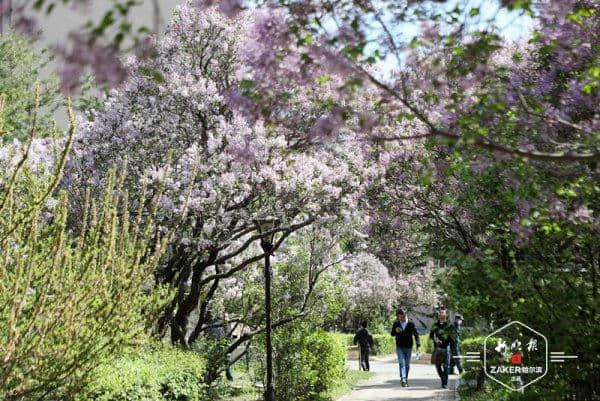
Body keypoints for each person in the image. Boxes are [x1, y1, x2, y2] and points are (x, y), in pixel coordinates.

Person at [390, 309, 421, 387]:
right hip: (399, 346)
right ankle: (403, 379)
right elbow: (392, 334)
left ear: (405, 315)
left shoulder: (411, 323)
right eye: (399, 317)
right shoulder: (396, 323)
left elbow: (416, 334)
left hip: (408, 347)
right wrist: (395, 330)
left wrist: (418, 345)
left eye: (402, 317)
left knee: (407, 364)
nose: (401, 319)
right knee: (402, 363)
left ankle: (405, 379)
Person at [429, 309, 457, 389]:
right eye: (440, 314)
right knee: (437, 366)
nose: (441, 315)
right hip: (437, 347)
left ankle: (444, 383)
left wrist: (453, 348)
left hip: (446, 347)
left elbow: (454, 337)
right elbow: (431, 335)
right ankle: (443, 378)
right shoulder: (435, 325)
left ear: (446, 315)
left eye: (443, 313)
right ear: (438, 316)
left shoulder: (449, 325)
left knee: (446, 366)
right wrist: (435, 339)